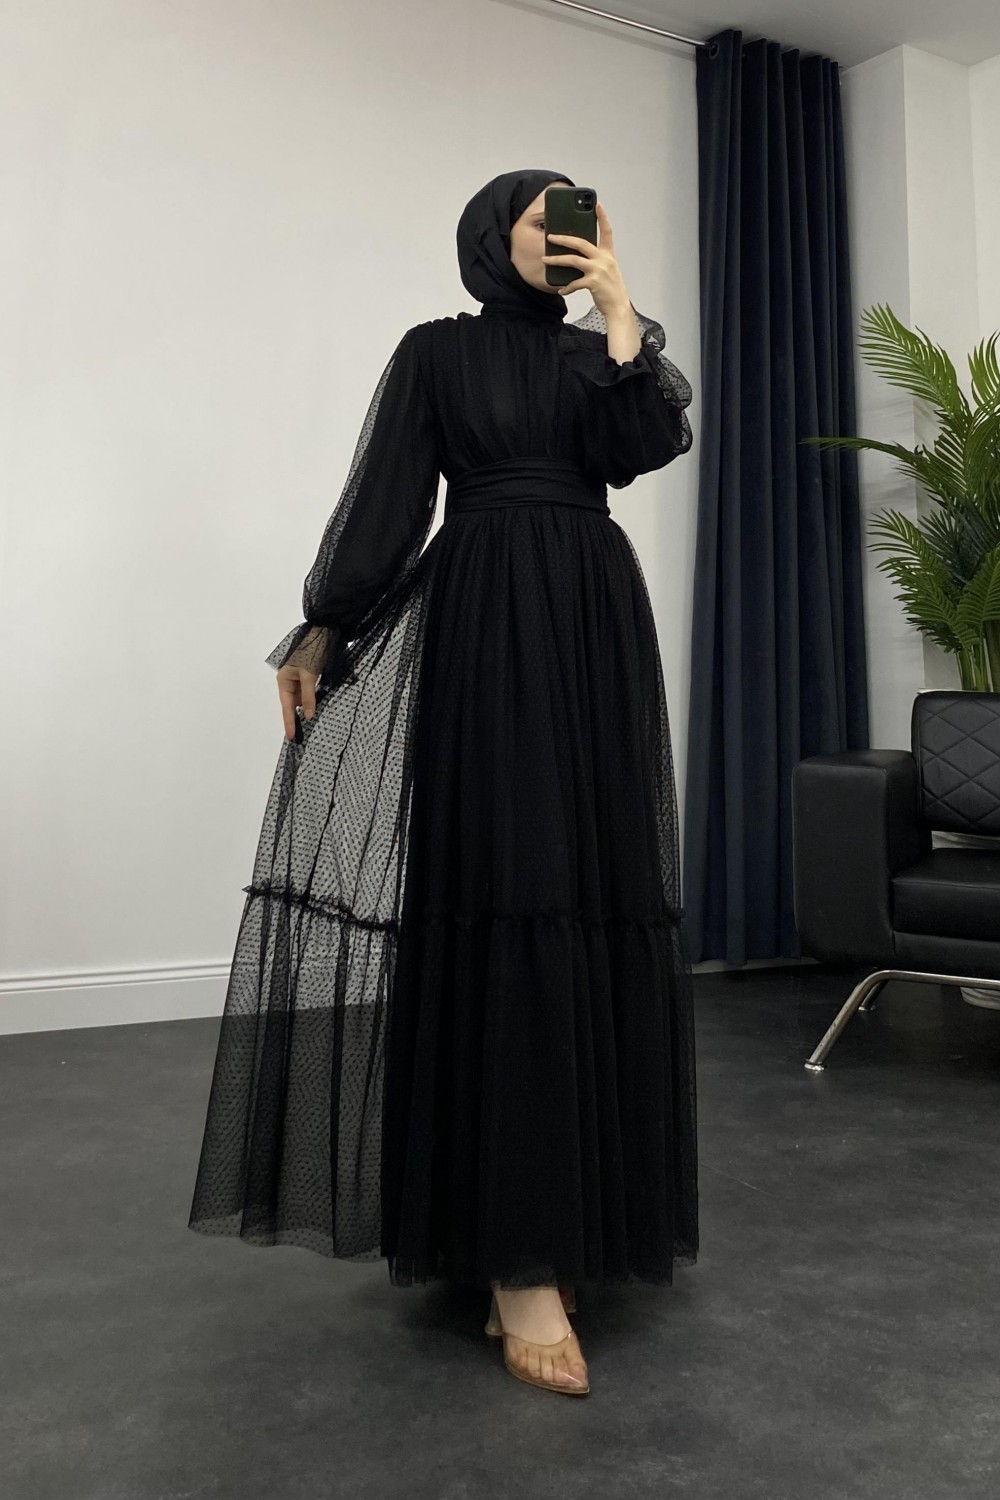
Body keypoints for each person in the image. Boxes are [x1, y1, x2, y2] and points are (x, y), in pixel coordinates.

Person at [188, 169, 698, 1398]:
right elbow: (385, 500)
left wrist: (619, 314)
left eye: (580, 218)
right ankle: (517, 1263)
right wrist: (325, 625)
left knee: (588, 893)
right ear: (489, 237)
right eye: (539, 217)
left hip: (593, 621)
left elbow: (642, 448)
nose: (563, 235)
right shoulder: (435, 352)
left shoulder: (607, 356)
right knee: (509, 888)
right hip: (487, 618)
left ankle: (557, 1218)